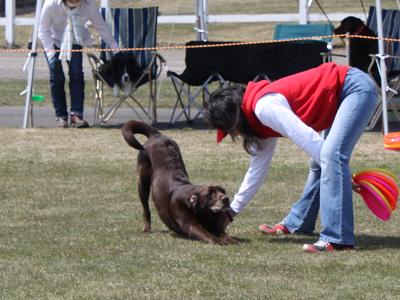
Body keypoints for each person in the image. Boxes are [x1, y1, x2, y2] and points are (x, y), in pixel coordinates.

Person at [204, 62, 378, 253]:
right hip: (340, 95)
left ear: (233, 118)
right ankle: (299, 223)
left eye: (228, 129)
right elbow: (257, 170)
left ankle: (337, 239)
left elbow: (308, 138)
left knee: (329, 157)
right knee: (322, 161)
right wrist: (231, 212)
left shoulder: (264, 108)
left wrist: (342, 173)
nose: (233, 134)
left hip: (354, 88)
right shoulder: (255, 119)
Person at [39, 0, 119, 128]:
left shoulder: (89, 5)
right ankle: (61, 117)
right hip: (52, 40)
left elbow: (101, 26)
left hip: (75, 38)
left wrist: (115, 47)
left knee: (76, 74)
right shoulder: (51, 4)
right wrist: (51, 56)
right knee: (57, 76)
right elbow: (43, 30)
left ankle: (76, 115)